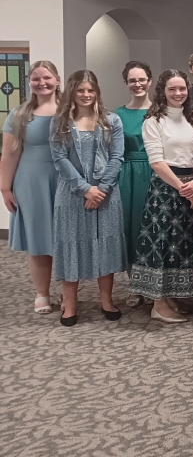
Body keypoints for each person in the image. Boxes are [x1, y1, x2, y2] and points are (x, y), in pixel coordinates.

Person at [49, 70, 126, 326]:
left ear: (97, 92)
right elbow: (59, 159)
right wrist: (85, 189)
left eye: (90, 90)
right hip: (72, 194)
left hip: (106, 193)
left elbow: (117, 157)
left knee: (106, 246)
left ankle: (107, 301)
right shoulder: (60, 122)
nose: (86, 94)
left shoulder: (111, 120)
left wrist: (100, 189)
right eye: (81, 90)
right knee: (71, 245)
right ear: (72, 92)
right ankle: (70, 304)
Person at [130, 69, 193, 323]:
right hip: (165, 189)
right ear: (162, 91)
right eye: (172, 89)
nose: (178, 93)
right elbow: (156, 162)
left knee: (181, 245)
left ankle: (171, 297)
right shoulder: (153, 121)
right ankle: (158, 305)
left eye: (182, 88)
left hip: (191, 185)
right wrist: (182, 187)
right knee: (161, 245)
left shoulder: (191, 117)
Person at [1, 61, 60, 315]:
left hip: (66, 180)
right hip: (31, 182)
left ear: (57, 80)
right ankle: (42, 293)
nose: (41, 83)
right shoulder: (19, 114)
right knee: (38, 239)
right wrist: (5, 188)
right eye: (35, 78)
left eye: (47, 77)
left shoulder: (70, 110)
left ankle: (69, 291)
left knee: (67, 238)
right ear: (29, 82)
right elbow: (9, 154)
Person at [114, 61, 153, 307]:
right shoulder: (117, 115)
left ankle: (152, 284)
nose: (137, 84)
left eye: (141, 80)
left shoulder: (160, 111)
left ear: (150, 81)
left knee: (151, 228)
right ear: (126, 83)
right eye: (132, 80)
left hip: (155, 171)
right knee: (130, 228)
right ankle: (135, 285)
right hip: (127, 174)